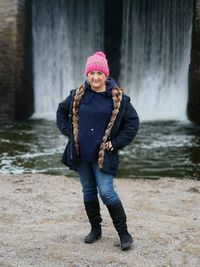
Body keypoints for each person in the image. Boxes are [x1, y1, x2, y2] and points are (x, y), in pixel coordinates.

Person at [56, 51, 139, 250]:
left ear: (106, 75)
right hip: (81, 153)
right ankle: (95, 229)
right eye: (91, 72)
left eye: (99, 73)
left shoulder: (118, 98)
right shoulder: (77, 94)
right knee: (88, 191)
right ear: (87, 74)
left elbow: (133, 123)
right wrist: (70, 133)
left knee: (107, 192)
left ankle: (124, 233)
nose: (95, 77)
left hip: (104, 155)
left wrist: (116, 143)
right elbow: (61, 111)